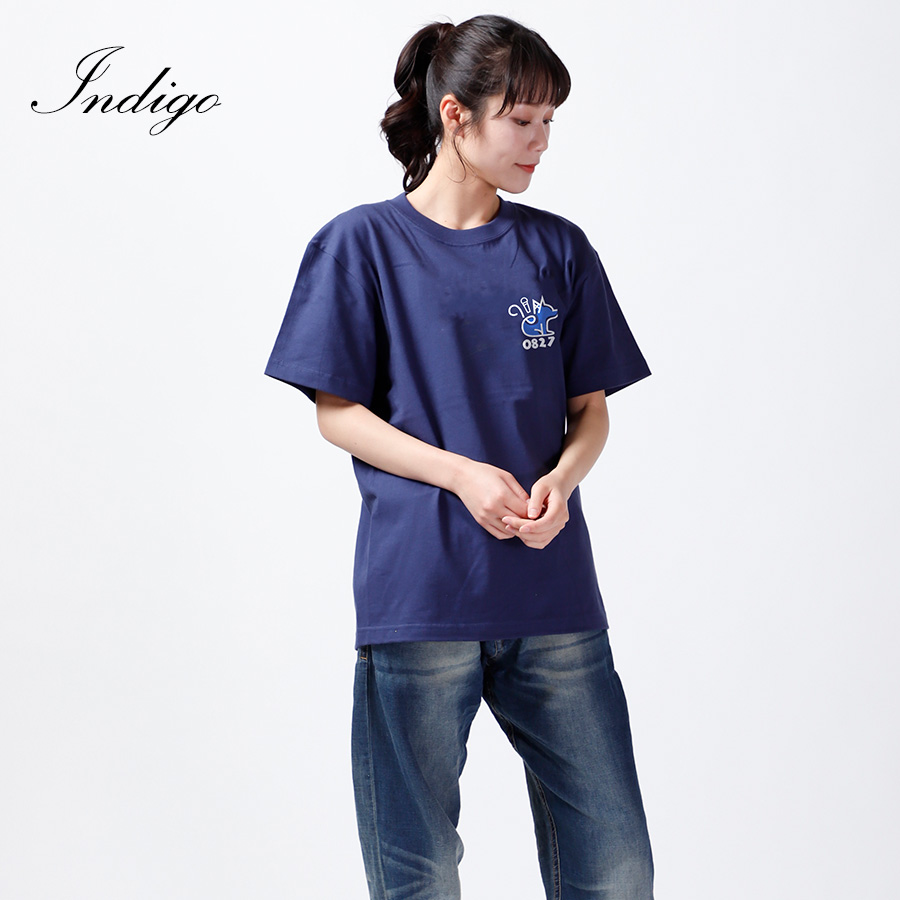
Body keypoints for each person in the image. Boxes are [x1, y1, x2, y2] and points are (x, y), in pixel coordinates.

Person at [265, 14, 655, 900]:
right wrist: (462, 474)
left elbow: (589, 410)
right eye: (523, 120)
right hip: (422, 594)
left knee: (616, 865)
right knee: (419, 872)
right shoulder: (360, 245)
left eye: (550, 121)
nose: (541, 141)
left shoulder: (558, 249)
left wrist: (563, 480)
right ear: (455, 116)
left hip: (553, 593)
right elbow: (338, 414)